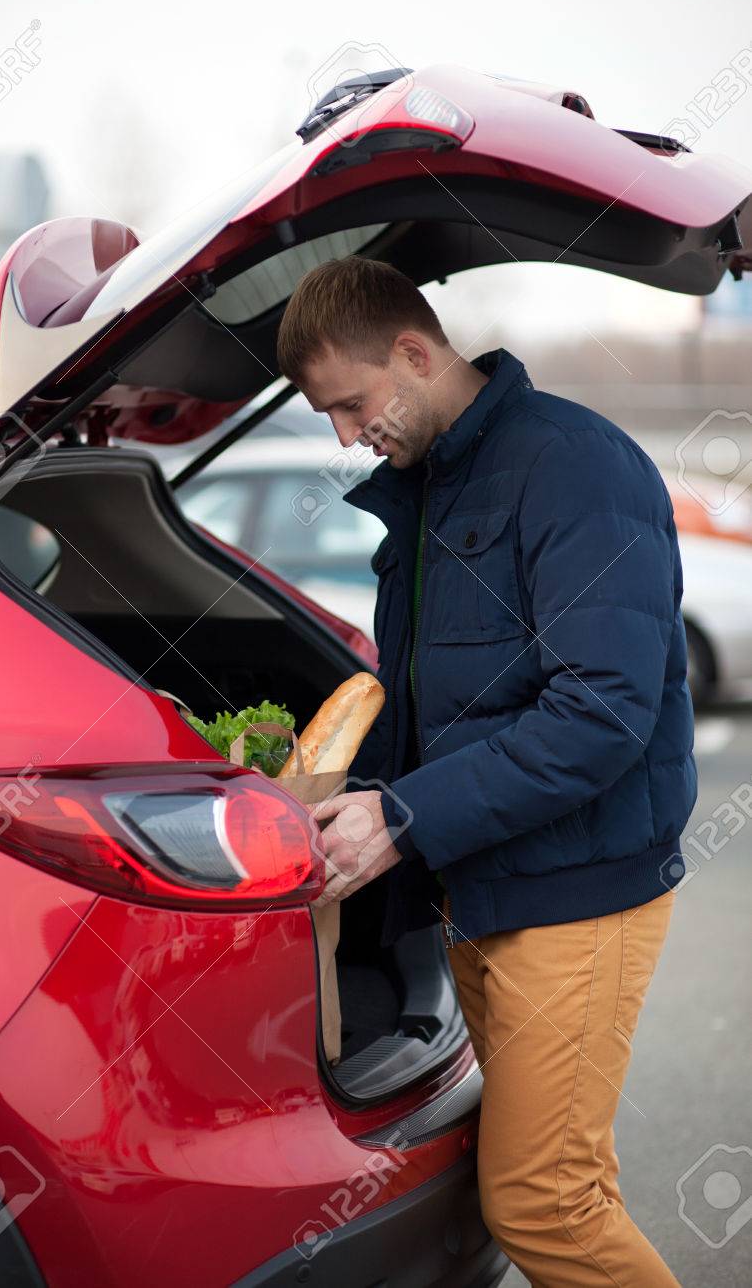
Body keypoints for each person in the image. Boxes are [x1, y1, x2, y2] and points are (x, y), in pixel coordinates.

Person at [275, 255, 695, 1287]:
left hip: (574, 896)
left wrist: (400, 818)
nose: (341, 436)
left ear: (412, 353)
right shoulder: (429, 487)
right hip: (483, 885)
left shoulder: (572, 468)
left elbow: (599, 713)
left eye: (348, 403)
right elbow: (431, 703)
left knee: (538, 1202)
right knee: (567, 1179)